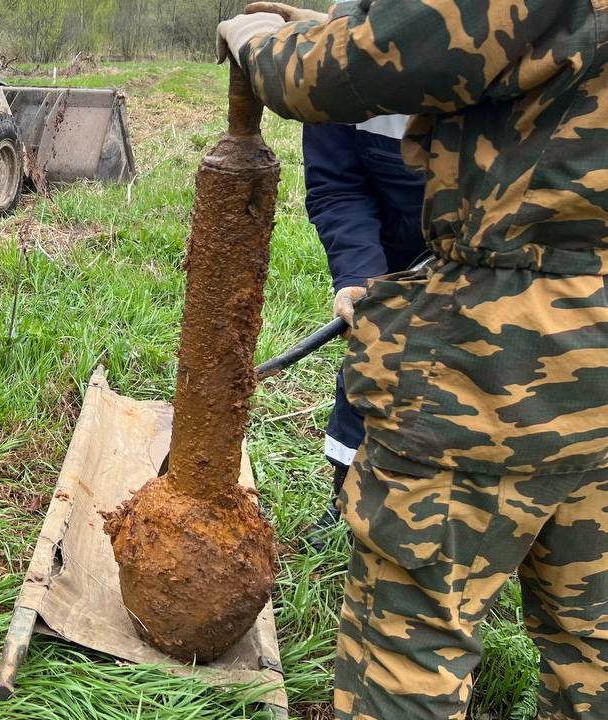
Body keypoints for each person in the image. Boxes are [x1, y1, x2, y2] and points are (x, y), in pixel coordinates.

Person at [219, 2, 608, 719]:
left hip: (497, 361)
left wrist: (258, 42)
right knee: (595, 637)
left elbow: (353, 64)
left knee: (410, 642)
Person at [303, 115, 426, 549]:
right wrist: (360, 273)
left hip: (524, 254)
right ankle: (345, 499)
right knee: (373, 354)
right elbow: (338, 184)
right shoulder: (343, 74)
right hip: (400, 240)